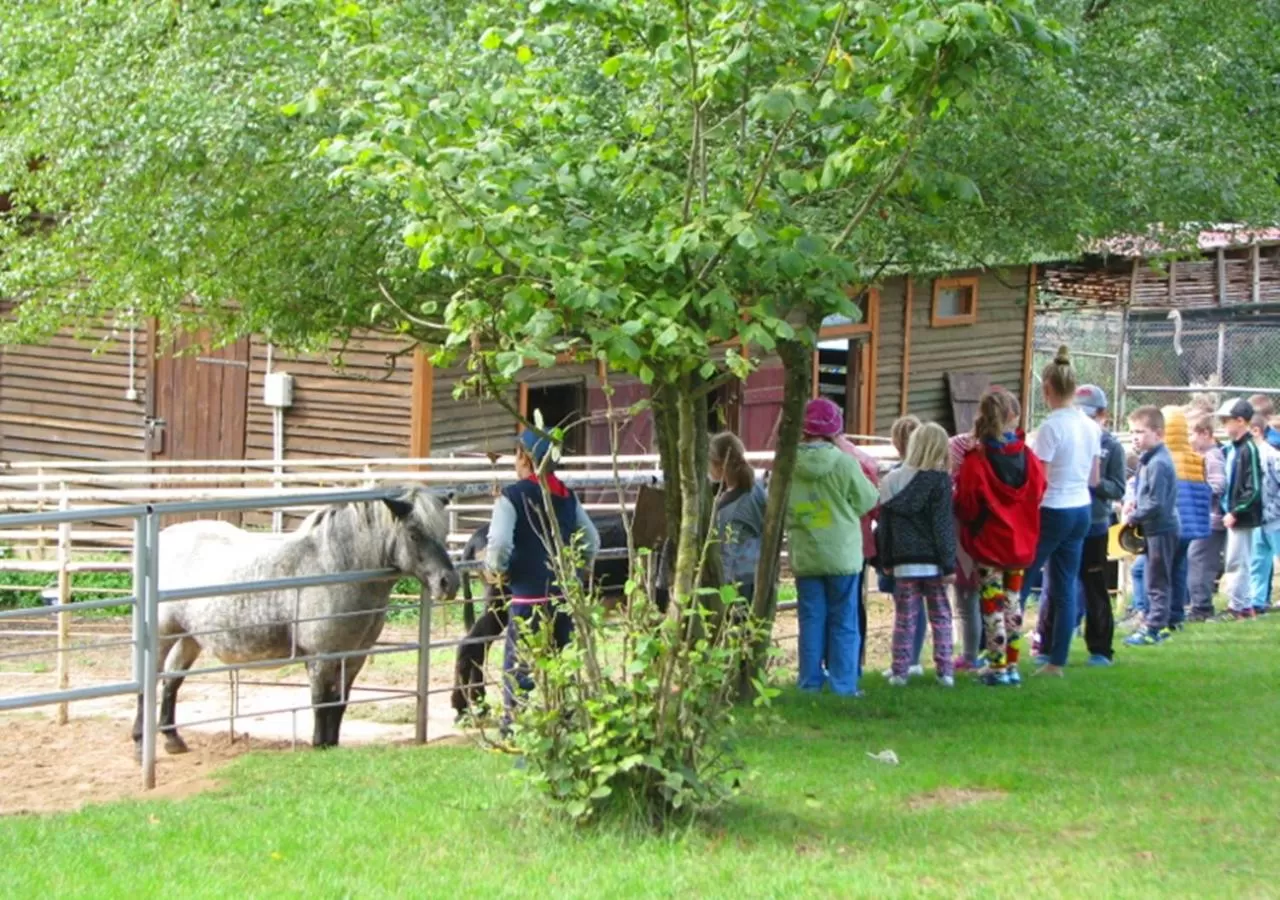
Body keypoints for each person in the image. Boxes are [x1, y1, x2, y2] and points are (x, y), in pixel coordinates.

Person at [487, 428, 601, 733]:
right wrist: (580, 570)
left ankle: (514, 727)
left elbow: (498, 543)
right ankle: (562, 721)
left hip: (527, 597)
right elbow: (592, 540)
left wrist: (497, 569)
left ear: (523, 456)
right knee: (562, 662)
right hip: (563, 596)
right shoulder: (565, 495)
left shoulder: (512, 496)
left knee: (519, 666)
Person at [787, 397, 879, 696]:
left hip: (806, 553)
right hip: (842, 553)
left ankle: (809, 682)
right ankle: (844, 685)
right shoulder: (844, 463)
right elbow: (868, 499)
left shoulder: (788, 465)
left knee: (811, 619)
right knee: (844, 620)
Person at [954, 388, 1045, 686]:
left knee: (991, 603)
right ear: (1012, 416)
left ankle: (996, 666)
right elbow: (1039, 490)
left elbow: (966, 501)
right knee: (1013, 602)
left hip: (989, 542)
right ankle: (1013, 664)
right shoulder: (1027, 457)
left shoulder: (976, 459)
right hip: (1019, 541)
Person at [1021, 346, 1100, 676]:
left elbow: (1040, 479)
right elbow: (1095, 476)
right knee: (1065, 585)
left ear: (1047, 389)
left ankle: (1002, 653)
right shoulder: (1090, 426)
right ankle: (1057, 660)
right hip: (1081, 506)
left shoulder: (1051, 427)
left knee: (1023, 580)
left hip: (1053, 509)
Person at [876, 423, 957, 687]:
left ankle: (900, 671)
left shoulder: (890, 481)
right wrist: (948, 564)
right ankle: (945, 670)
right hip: (932, 562)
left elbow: (884, 527)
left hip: (903, 562)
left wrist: (885, 560)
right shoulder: (940, 481)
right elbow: (942, 524)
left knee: (904, 618)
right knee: (941, 615)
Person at [1067, 385, 1126, 664]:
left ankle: (1101, 649)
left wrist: (1097, 484)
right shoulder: (1066, 438)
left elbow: (1118, 488)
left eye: (1090, 415)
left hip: (1095, 522)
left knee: (1094, 586)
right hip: (1067, 519)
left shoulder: (1111, 446)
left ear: (1103, 415)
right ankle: (1052, 643)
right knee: (1060, 584)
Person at [1122, 406, 1179, 646]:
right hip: (1153, 528)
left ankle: (1154, 627)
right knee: (1149, 575)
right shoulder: (1147, 460)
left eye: (1141, 432)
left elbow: (1157, 502)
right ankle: (1158, 622)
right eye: (1133, 432)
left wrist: (1134, 517)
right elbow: (1146, 494)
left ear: (1158, 434)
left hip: (1161, 528)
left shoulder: (1158, 463)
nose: (1136, 436)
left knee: (1157, 580)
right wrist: (1134, 502)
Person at [878, 415, 928, 679]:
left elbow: (885, 518)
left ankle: (905, 661)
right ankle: (915, 658)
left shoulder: (895, 477)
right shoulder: (933, 475)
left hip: (902, 553)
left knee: (905, 609)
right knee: (921, 607)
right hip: (928, 554)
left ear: (897, 443)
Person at [1162, 406, 1212, 630]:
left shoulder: (1163, 459)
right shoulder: (1196, 459)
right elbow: (1203, 494)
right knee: (1179, 568)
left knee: (1156, 570)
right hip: (1190, 526)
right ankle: (1176, 615)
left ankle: (1155, 614)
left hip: (1168, 524)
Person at [1216, 398, 1263, 620]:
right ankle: (1242, 605)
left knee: (1238, 562)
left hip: (1240, 517)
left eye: (1227, 421)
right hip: (1230, 515)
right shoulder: (1232, 449)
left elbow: (1253, 488)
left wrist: (1236, 511)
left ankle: (1239, 607)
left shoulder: (1248, 449)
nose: (1224, 425)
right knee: (1235, 560)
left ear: (1241, 421)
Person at [709, 431, 767, 611]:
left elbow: (728, 551)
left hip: (734, 578)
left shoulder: (728, 509)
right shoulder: (757, 488)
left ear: (719, 466)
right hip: (756, 571)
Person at [948, 426, 985, 674]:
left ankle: (970, 654)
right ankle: (974, 653)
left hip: (965, 546)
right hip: (983, 541)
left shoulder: (959, 490)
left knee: (966, 600)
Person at [1187, 413, 1227, 621]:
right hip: (1201, 519)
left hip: (1212, 519)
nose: (1189, 440)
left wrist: (1194, 491)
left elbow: (1218, 485)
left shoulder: (1213, 456)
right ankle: (1196, 604)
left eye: (1191, 434)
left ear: (1205, 433)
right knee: (1194, 559)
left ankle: (1202, 607)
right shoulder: (1202, 456)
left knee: (1200, 560)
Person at [1247, 414, 1280, 614]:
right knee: (1258, 559)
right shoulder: (1250, 455)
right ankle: (1257, 600)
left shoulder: (1272, 456)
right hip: (1259, 520)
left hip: (1275, 519)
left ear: (1256, 430)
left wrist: (1272, 511)